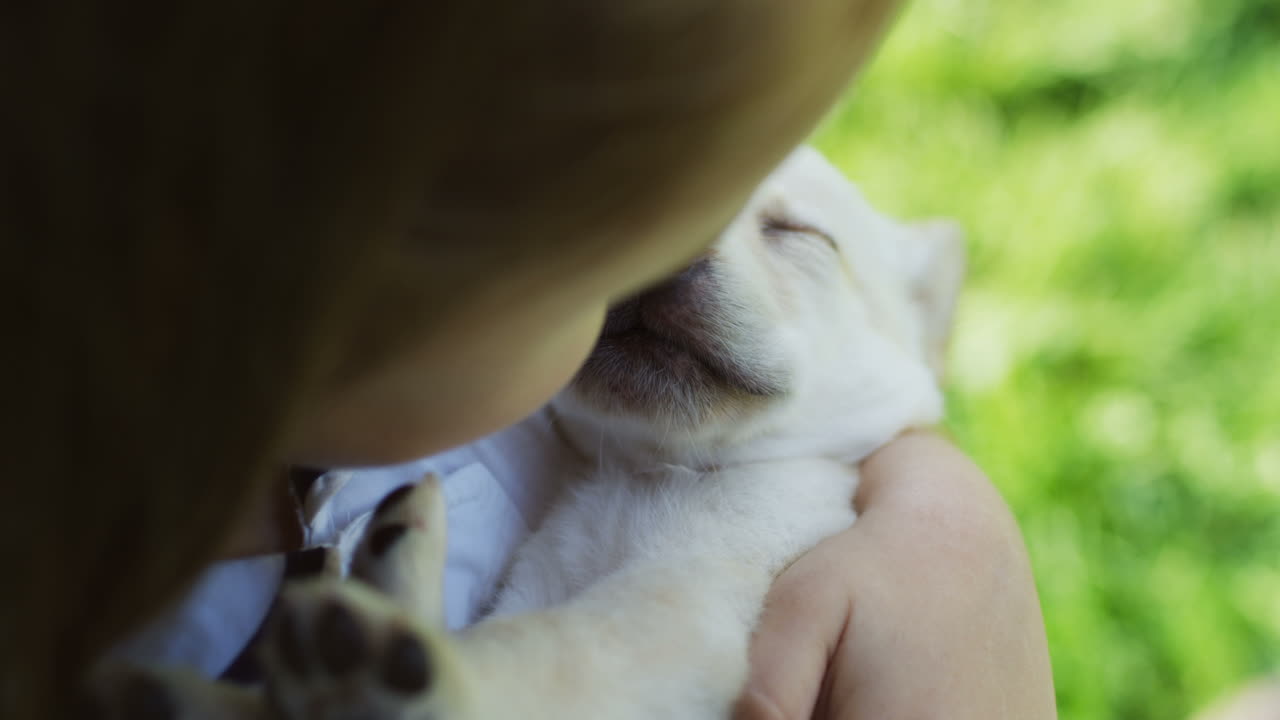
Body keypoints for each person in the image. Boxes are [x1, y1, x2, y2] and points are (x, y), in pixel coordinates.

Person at [0, 2, 1056, 718]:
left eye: (787, 235)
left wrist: (945, 515)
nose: (673, 259)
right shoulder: (482, 424)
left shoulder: (815, 496)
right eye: (605, 243)